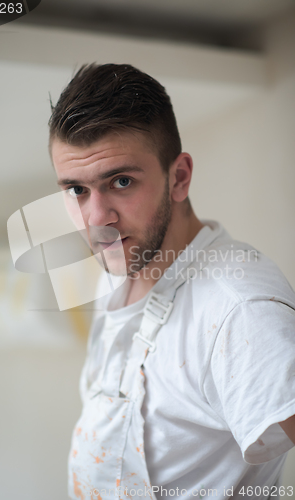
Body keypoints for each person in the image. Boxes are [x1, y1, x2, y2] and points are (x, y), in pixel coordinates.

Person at [48, 63, 295, 499]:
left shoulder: (238, 310)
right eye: (76, 190)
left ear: (178, 177)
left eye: (121, 181)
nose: (96, 220)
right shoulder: (121, 266)